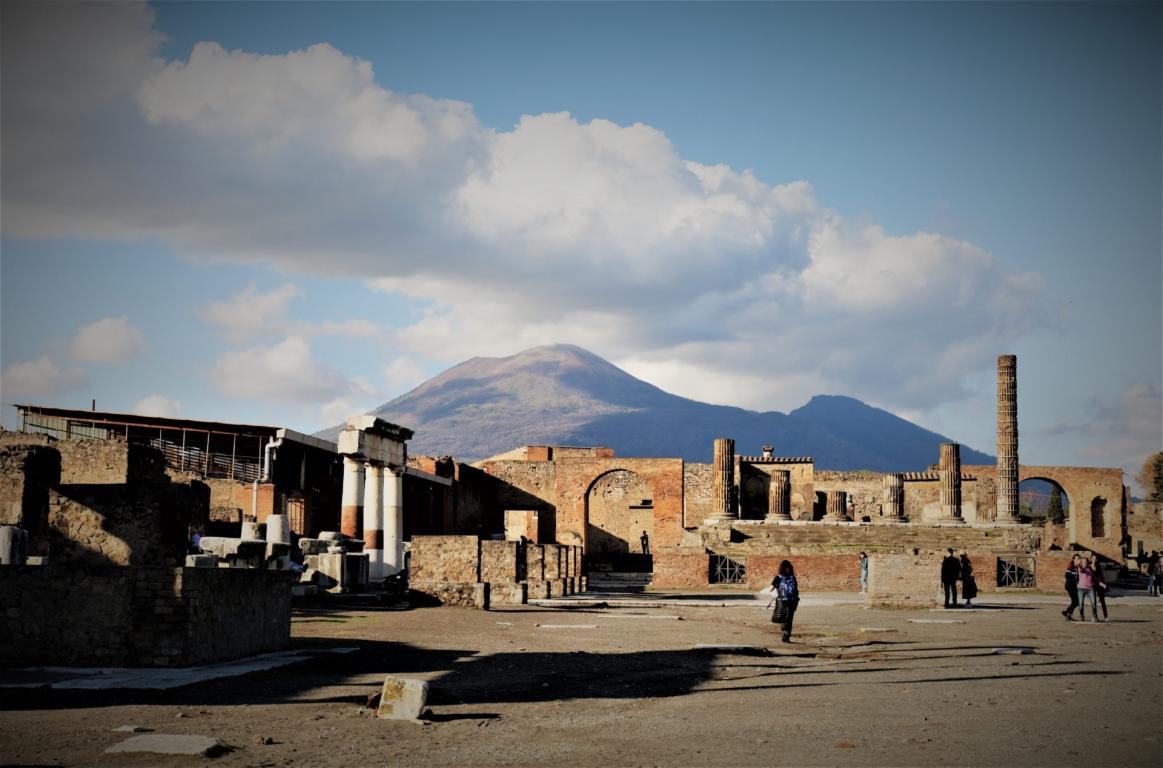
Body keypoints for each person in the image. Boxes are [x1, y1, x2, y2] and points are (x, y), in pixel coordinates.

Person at [771, 559, 800, 643]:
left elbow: (773, 588)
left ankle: (785, 633)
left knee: (783, 617)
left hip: (782, 601)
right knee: (789, 618)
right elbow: (796, 590)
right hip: (792, 601)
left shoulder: (778, 577)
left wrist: (778, 591)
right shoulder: (792, 577)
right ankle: (786, 634)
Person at [1076, 557, 1098, 622]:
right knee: (1080, 604)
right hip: (1081, 589)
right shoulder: (1079, 568)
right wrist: (1078, 563)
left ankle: (1095, 617)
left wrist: (1093, 564)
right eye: (1083, 561)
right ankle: (1081, 616)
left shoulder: (1090, 568)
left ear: (1087, 562)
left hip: (1090, 588)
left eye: (1085, 561)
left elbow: (1095, 570)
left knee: (1093, 603)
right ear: (1081, 562)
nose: (1084, 562)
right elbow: (1082, 569)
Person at [1062, 554, 1081, 620]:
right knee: (1075, 601)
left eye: (1079, 558)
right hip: (1069, 585)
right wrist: (1075, 579)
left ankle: (1067, 613)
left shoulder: (1078, 567)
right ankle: (1067, 613)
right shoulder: (1071, 566)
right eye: (1076, 558)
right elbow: (1066, 575)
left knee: (1076, 601)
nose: (1077, 560)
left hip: (1074, 586)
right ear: (1073, 559)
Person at [1093, 558, 1109, 622]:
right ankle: (1095, 617)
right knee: (1093, 602)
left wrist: (1103, 584)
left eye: (1095, 558)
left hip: (1099, 585)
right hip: (1092, 585)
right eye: (1093, 558)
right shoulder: (1089, 566)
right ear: (1091, 559)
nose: (1094, 559)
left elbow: (1101, 576)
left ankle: (1106, 616)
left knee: (1102, 601)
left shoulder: (1098, 566)